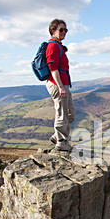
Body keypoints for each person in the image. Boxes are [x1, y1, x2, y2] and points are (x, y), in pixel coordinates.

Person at [46, 19, 76, 152]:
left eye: (66, 30)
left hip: (63, 84)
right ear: (53, 31)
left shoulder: (58, 46)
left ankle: (56, 136)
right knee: (62, 114)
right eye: (61, 30)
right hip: (58, 84)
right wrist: (60, 86)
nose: (64, 32)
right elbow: (53, 68)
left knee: (70, 113)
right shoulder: (52, 45)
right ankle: (61, 142)